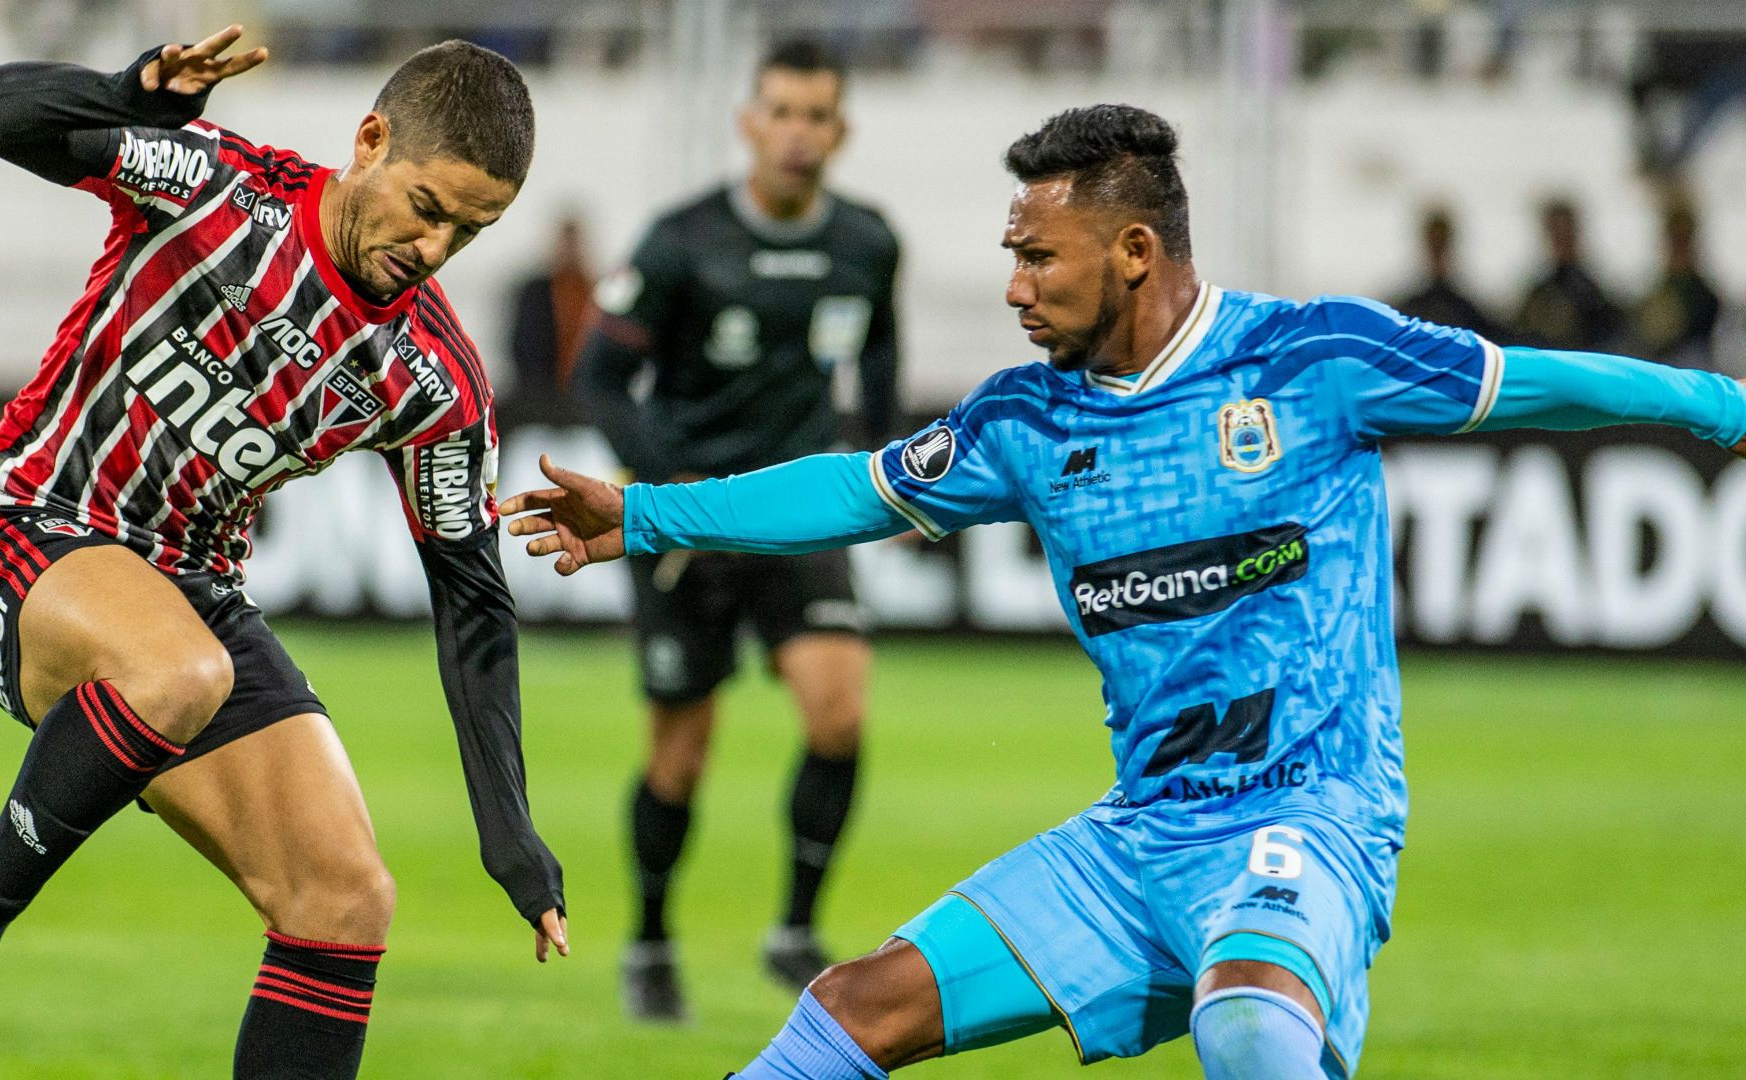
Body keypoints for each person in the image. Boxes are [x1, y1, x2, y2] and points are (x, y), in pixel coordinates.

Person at [501, 104, 1746, 1078]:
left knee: (1251, 1025)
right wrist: (650, 510)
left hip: (1308, 819)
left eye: (1038, 256)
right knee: (850, 1009)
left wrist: (1721, 405)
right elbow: (855, 488)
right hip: (1141, 839)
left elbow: (1529, 380)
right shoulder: (1026, 422)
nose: (1012, 286)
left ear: (1135, 251)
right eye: (1010, 257)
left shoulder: (1306, 360)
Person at [0, 27, 568, 1080]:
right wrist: (130, 94)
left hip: (192, 594)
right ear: (370, 141)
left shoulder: (432, 379)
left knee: (344, 898)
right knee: (179, 670)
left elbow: (472, 599)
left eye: (468, 234)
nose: (432, 250)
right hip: (19, 533)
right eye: (427, 209)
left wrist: (509, 831)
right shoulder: (211, 184)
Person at [574, 37, 901, 1021]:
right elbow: (598, 376)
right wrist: (666, 490)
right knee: (682, 753)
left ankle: (794, 929)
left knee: (838, 710)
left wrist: (884, 470)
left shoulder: (868, 241)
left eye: (818, 116)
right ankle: (650, 941)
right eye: (784, 113)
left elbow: (879, 353)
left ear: (840, 130)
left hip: (800, 513)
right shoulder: (682, 242)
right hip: (690, 521)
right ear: (749, 123)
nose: (799, 134)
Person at [1512, 197, 1626, 352]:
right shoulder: (1539, 294)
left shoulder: (1595, 295)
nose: (1561, 241)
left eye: (1565, 234)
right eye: (1556, 234)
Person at [508, 213, 595, 408]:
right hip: (540, 394)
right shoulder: (535, 291)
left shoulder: (590, 289)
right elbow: (523, 342)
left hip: (581, 396)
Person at [1633, 197, 1724, 370]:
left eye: (1682, 239)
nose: (1678, 247)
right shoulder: (1658, 290)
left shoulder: (1705, 294)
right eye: (1675, 240)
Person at [1393, 206, 1503, 341]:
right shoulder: (1407, 310)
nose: (1438, 252)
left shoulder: (1468, 312)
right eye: (1435, 245)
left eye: (1441, 244)